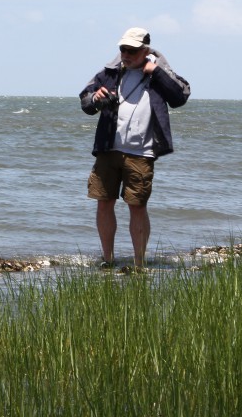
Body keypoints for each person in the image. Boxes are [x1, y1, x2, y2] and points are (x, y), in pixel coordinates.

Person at [79, 27, 190, 269]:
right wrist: (95, 98)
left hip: (142, 152)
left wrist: (156, 72)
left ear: (145, 50)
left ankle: (139, 264)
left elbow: (180, 96)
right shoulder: (109, 72)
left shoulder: (159, 71)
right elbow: (85, 102)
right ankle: (107, 259)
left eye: (132, 50)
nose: (126, 54)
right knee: (103, 202)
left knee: (137, 206)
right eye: (123, 49)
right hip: (108, 148)